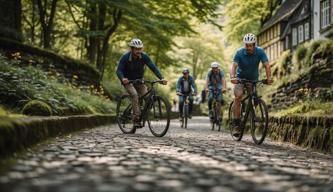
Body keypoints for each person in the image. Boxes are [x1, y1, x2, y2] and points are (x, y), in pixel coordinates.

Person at [116, 38, 167, 128]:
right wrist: (122, 78)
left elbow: (153, 68)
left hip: (139, 80)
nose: (139, 51)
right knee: (135, 95)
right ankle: (135, 119)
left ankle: (141, 112)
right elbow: (119, 70)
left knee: (148, 98)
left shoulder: (144, 57)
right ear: (132, 49)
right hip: (128, 81)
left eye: (140, 49)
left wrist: (161, 78)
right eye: (136, 49)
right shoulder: (125, 57)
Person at [230, 33, 273, 136]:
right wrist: (232, 77)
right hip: (240, 79)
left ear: (254, 44)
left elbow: (267, 65)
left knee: (254, 99)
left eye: (250, 45)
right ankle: (236, 124)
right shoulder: (239, 53)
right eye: (246, 45)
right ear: (244, 45)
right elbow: (234, 66)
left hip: (253, 79)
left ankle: (250, 114)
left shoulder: (260, 51)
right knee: (238, 96)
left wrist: (268, 78)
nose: (248, 47)